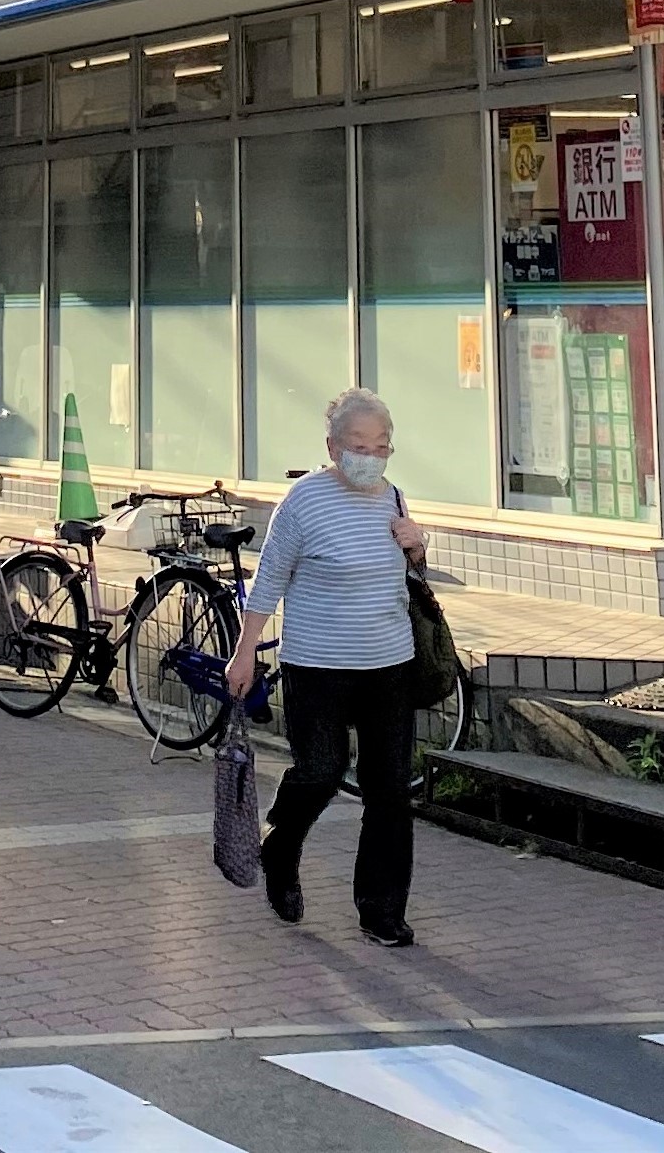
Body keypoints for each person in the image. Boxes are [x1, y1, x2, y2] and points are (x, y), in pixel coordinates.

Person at [223, 385, 428, 947]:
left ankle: (382, 911)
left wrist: (417, 546)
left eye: (382, 446)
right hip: (317, 665)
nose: (371, 455)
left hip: (389, 663)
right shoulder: (304, 501)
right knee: (320, 771)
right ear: (333, 447)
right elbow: (269, 579)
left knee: (390, 789)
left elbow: (410, 576)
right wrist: (245, 651)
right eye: (359, 444)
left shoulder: (394, 498)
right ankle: (280, 846)